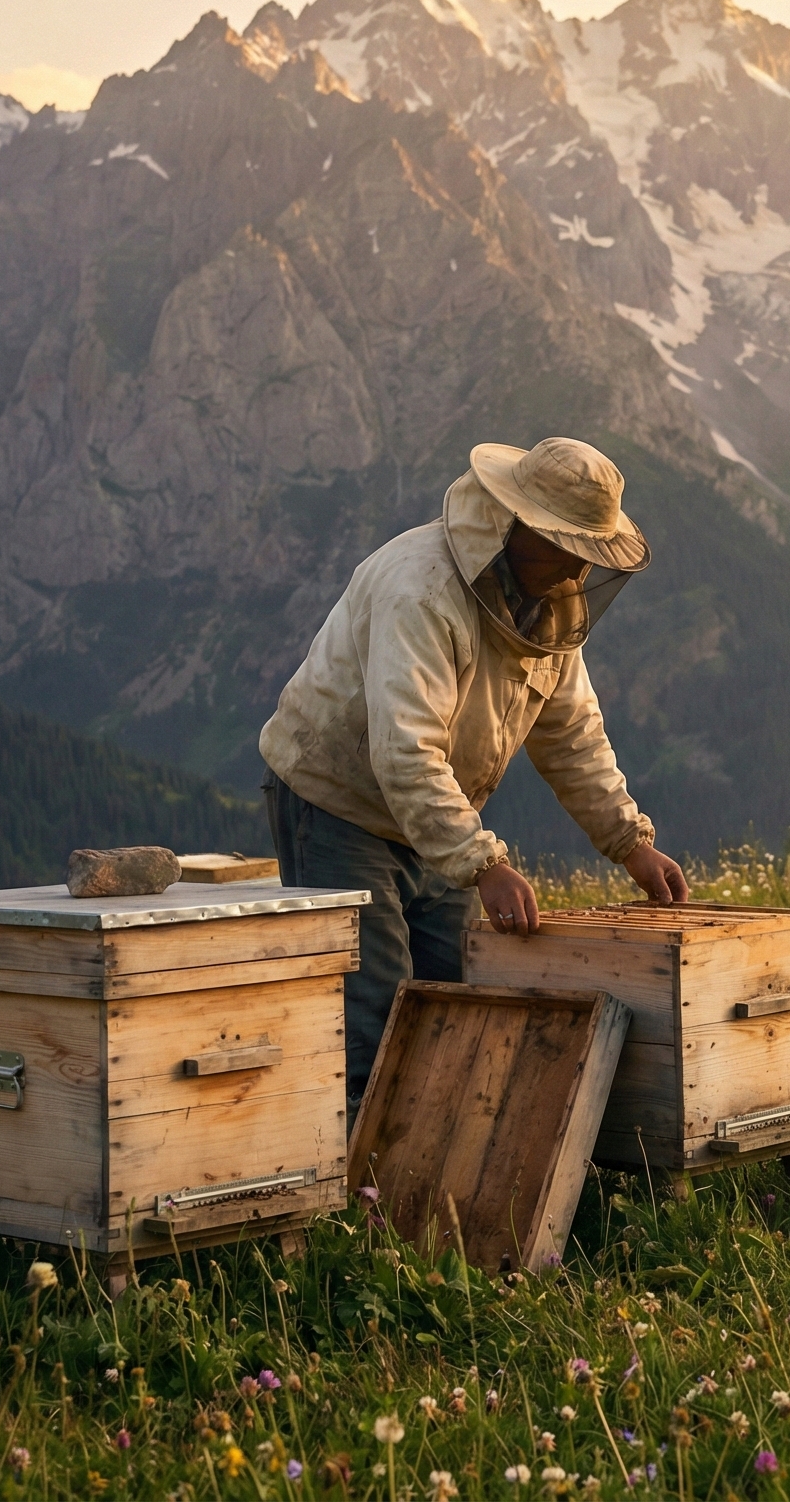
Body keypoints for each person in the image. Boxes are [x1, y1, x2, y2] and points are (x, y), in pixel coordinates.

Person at [259, 438, 689, 1111]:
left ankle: (434, 1177)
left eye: (588, 553)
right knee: (371, 1011)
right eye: (565, 545)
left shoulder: (548, 602)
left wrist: (629, 842)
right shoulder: (422, 590)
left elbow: (571, 733)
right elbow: (404, 750)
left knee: (461, 994)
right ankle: (362, 1202)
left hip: (435, 815)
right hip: (340, 806)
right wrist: (482, 861)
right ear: (515, 524)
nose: (578, 567)